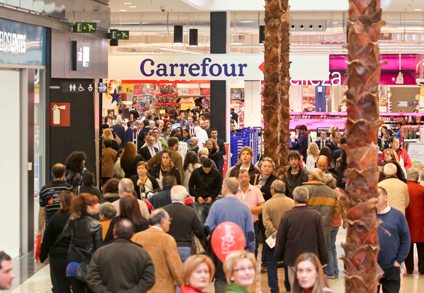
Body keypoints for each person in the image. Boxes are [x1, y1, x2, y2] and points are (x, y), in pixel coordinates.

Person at [205, 178, 255, 292]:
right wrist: (251, 252)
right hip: (239, 252)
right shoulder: (245, 207)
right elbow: (250, 233)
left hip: (221, 251)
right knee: (238, 278)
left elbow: (208, 227)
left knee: (222, 279)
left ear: (225, 189)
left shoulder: (216, 206)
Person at [275, 186, 328, 287]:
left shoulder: (287, 216)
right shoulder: (316, 215)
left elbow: (281, 238)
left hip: (292, 258)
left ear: (294, 198)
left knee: (295, 287)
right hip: (311, 258)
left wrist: (279, 256)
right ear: (308, 198)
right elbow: (321, 239)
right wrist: (324, 259)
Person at [86, 218, 155, 292]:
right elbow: (149, 279)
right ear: (132, 233)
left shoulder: (100, 252)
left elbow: (91, 277)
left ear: (114, 232)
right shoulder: (142, 253)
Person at [132, 209, 184, 293]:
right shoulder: (167, 239)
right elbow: (175, 267)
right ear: (163, 221)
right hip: (163, 288)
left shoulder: (136, 237)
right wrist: (184, 285)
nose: (170, 223)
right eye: (169, 220)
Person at [262, 180, 295, 293]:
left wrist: (276, 232)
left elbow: (266, 222)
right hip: (288, 238)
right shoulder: (292, 202)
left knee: (271, 263)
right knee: (288, 262)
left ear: (272, 189)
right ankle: (288, 285)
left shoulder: (268, 204)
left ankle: (274, 288)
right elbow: (294, 221)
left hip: (272, 238)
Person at [377, 186, 411, 293]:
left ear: (386, 197)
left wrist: (398, 260)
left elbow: (406, 239)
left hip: (391, 266)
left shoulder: (398, 216)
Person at [66, 194, 102, 293]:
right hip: (89, 268)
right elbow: (99, 250)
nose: (97, 205)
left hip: (72, 265)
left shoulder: (72, 221)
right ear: (87, 207)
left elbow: (66, 236)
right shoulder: (96, 225)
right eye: (93, 204)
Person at [39, 191, 74, 293]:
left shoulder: (55, 218)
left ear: (62, 203)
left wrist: (42, 256)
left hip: (57, 258)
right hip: (74, 256)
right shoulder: (78, 217)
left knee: (60, 285)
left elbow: (47, 239)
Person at [163, 185, 205, 261]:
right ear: (184, 197)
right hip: (186, 248)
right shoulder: (190, 212)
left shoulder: (163, 211)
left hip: (168, 247)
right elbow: (200, 231)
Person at [38, 163, 73, 236]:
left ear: (52, 174)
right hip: (67, 226)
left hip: (50, 226)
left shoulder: (45, 189)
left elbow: (42, 211)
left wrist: (39, 230)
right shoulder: (70, 188)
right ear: (64, 174)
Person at [236, 169, 265, 256]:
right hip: (237, 225)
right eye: (241, 177)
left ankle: (251, 267)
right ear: (238, 179)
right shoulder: (233, 191)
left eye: (245, 176)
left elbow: (263, 206)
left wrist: (250, 210)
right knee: (238, 249)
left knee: (252, 249)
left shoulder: (256, 190)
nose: (243, 179)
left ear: (249, 178)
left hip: (253, 224)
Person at [189, 158, 222, 223]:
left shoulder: (216, 173)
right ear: (202, 166)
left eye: (208, 169)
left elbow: (218, 188)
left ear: (211, 166)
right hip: (199, 200)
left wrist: (212, 197)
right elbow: (191, 186)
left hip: (212, 200)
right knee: (200, 221)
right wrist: (197, 196)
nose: (207, 171)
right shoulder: (196, 172)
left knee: (212, 221)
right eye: (205, 169)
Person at [405, 168, 424, 274]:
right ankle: (422, 269)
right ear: (417, 177)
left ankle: (409, 268)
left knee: (408, 246)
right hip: (421, 223)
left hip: (407, 221)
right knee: (422, 247)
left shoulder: (404, 188)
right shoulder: (422, 189)